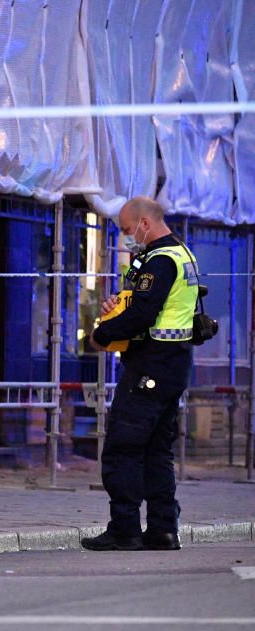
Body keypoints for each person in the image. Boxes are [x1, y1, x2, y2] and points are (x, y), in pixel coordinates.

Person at [83, 196, 199, 551]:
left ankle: (125, 529)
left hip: (150, 365)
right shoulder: (182, 253)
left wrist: (101, 333)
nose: (126, 236)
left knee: (124, 447)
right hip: (174, 364)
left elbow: (143, 316)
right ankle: (164, 529)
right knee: (156, 450)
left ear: (145, 224)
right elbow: (144, 305)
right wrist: (116, 307)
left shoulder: (161, 260)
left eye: (127, 229)